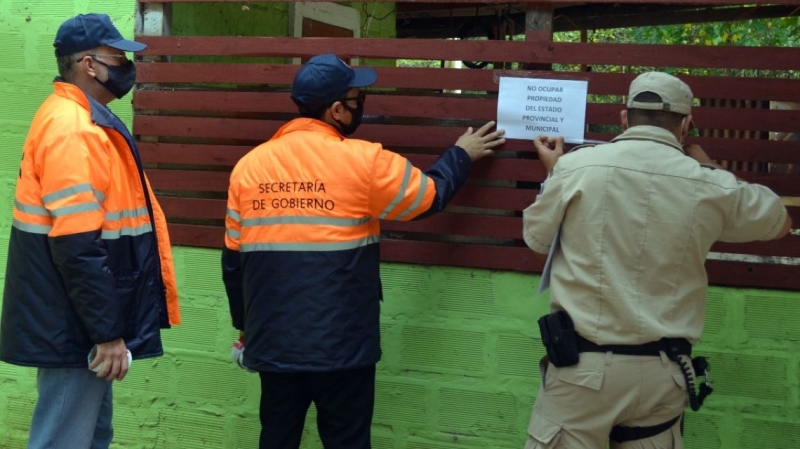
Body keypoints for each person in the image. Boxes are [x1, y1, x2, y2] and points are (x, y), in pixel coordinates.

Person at [222, 53, 505, 448]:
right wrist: (461, 154)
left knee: (277, 436)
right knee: (347, 441)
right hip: (342, 348)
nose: (361, 105)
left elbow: (234, 263)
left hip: (273, 342)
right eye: (357, 98)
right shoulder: (363, 160)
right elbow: (428, 196)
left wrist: (246, 327)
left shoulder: (248, 167)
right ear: (337, 109)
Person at [521, 71, 791, 448]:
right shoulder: (708, 183)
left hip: (582, 373)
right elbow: (778, 220)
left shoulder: (577, 167)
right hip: (665, 376)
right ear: (686, 125)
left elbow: (536, 238)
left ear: (623, 118)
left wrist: (556, 173)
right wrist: (711, 166)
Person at [0, 13, 181, 448]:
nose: (126, 65)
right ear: (89, 64)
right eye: (117, 56)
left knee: (92, 436)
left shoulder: (81, 121)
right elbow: (77, 245)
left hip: (75, 319)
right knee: (63, 438)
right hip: (74, 326)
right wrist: (107, 334)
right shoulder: (73, 131)